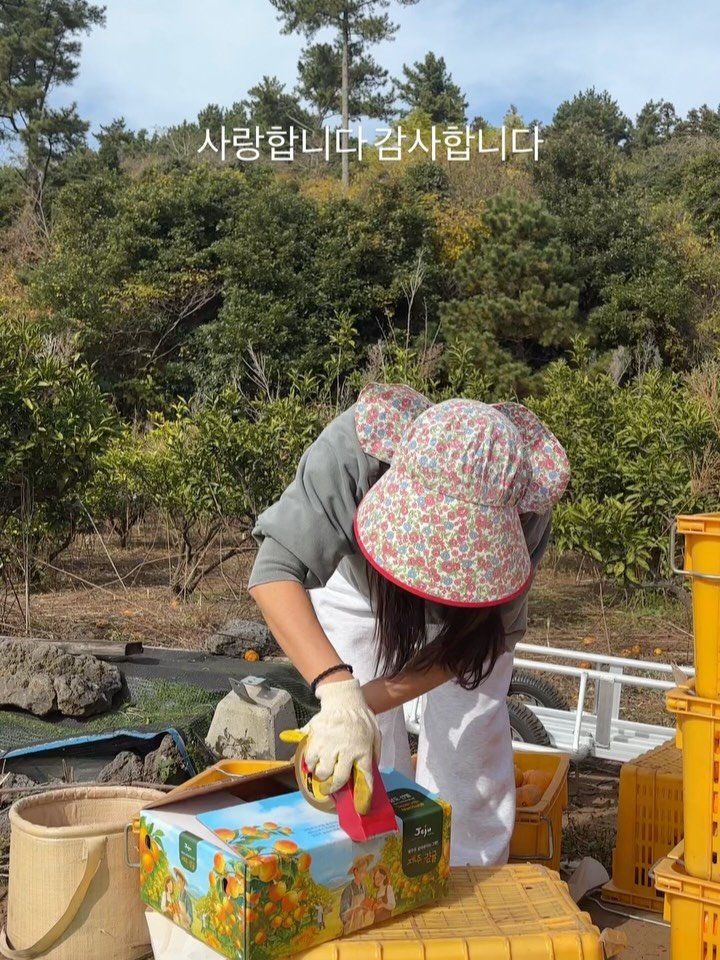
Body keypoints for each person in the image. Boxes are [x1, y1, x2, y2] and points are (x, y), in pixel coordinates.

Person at [249, 383, 569, 866]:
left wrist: (369, 697)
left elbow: (479, 644)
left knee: (472, 733)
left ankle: (469, 872)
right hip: (360, 584)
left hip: (468, 622)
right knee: (362, 750)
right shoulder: (351, 456)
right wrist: (341, 695)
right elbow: (274, 573)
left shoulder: (523, 505)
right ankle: (373, 864)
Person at [339, 855, 373, 934]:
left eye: (365, 871)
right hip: (351, 929)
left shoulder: (364, 888)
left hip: (364, 926)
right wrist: (357, 909)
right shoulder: (348, 891)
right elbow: (343, 916)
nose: (365, 874)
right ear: (355, 871)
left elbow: (367, 906)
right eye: (362, 871)